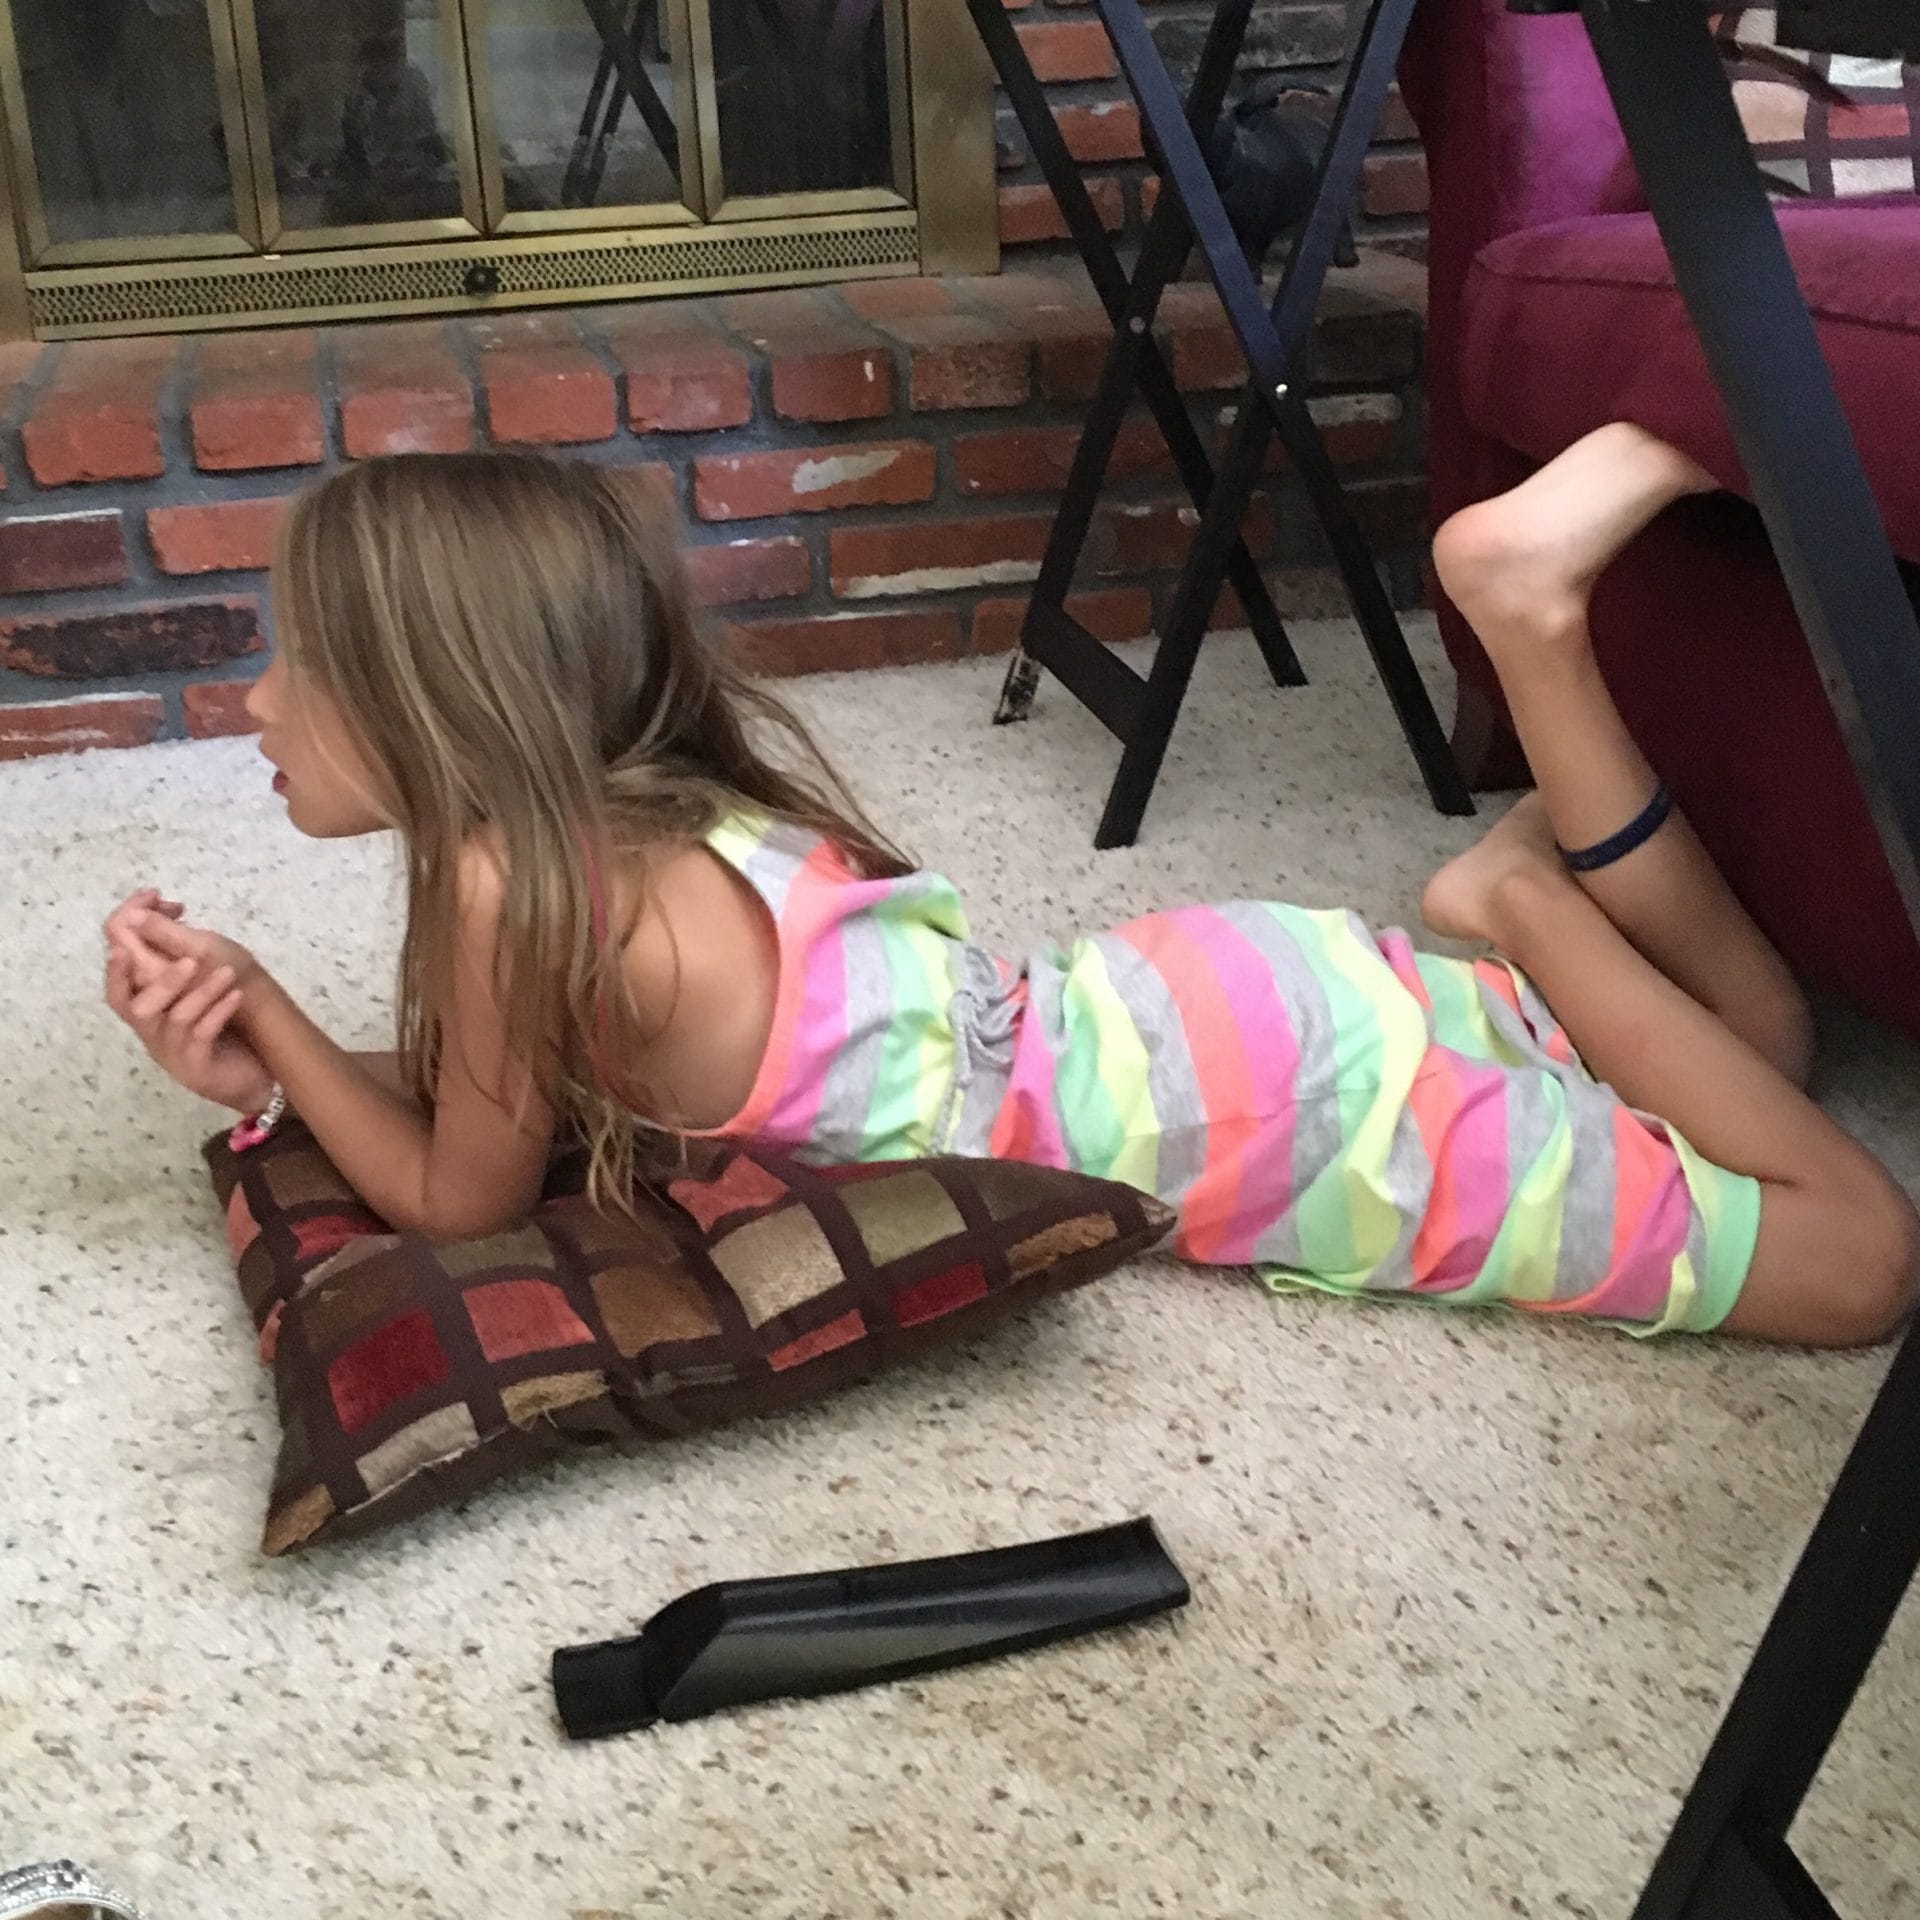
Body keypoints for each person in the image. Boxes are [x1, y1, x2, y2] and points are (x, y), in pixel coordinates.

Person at [103, 426, 1920, 1347]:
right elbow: (502, 1116)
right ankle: (1531, 651)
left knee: (1863, 1264)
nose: (255, 704)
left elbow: (457, 1199)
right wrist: (269, 1035)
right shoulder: (622, 814)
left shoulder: (507, 887)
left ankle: (1518, 900)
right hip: (1202, 1005)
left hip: (1303, 1115)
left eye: (296, 661)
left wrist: (273, 1018)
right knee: (1755, 1041)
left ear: (435, 695)